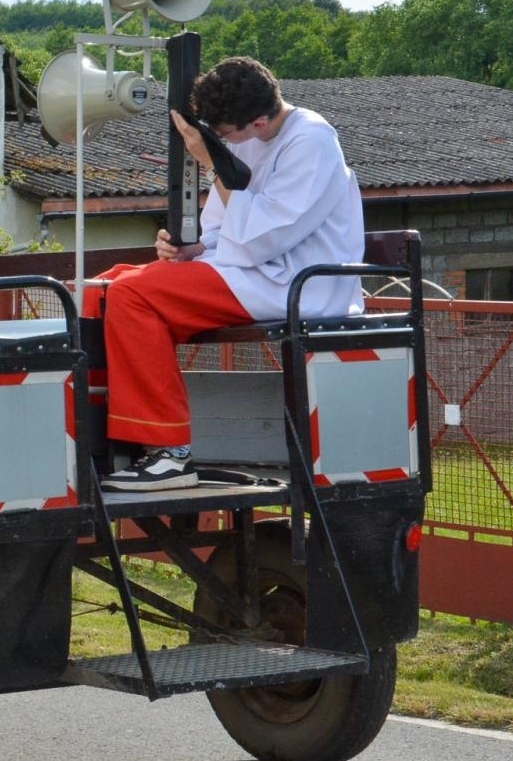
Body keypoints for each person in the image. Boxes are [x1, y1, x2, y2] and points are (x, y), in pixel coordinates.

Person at [101, 56, 364, 491]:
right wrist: (192, 247)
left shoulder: (312, 140)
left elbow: (267, 235)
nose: (220, 141)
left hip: (295, 281)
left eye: (223, 134)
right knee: (105, 288)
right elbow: (226, 228)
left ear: (258, 121)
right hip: (251, 269)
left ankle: (169, 454)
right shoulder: (247, 133)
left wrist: (210, 163)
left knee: (134, 296)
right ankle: (112, 446)